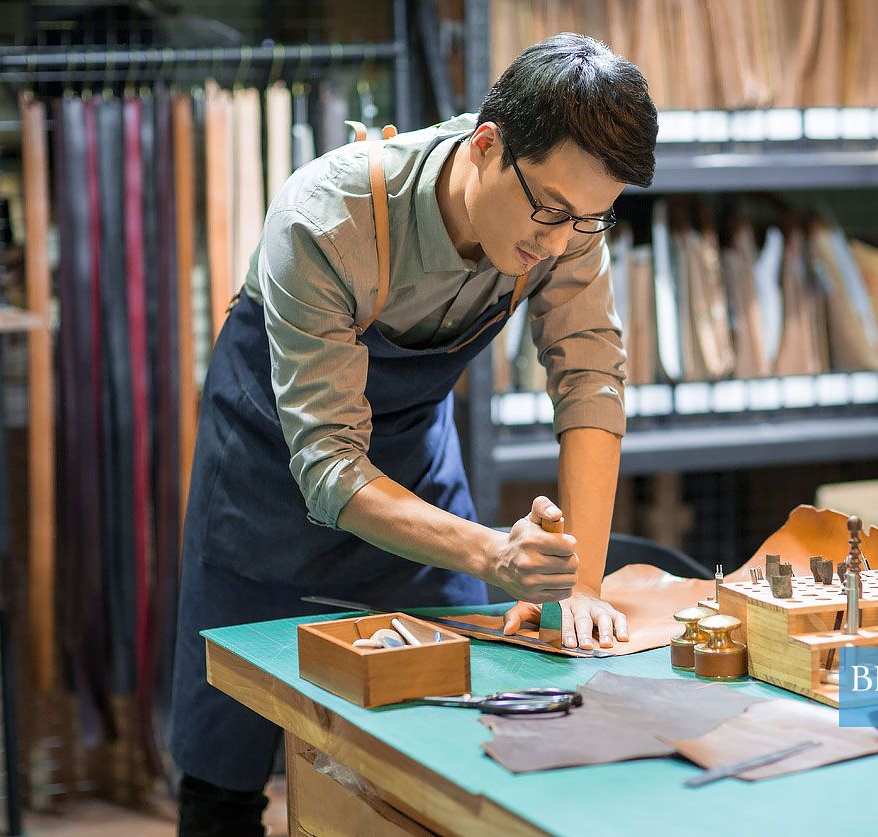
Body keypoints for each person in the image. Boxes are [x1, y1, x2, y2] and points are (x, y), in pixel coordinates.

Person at [170, 33, 657, 835]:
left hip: (413, 479)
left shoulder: (566, 223)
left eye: (589, 220)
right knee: (223, 773)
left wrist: (582, 584)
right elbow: (328, 463)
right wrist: (493, 554)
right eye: (548, 210)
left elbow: (590, 380)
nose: (558, 242)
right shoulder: (327, 215)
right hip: (265, 481)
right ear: (486, 146)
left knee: (458, 725)